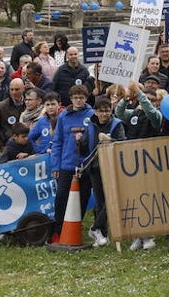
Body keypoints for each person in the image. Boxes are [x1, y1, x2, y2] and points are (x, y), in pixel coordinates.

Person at [50, 85, 95, 244]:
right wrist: (55, 165)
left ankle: (76, 225)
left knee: (82, 197)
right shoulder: (64, 116)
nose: (78, 100)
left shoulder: (91, 115)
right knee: (61, 197)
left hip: (85, 165)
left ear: (86, 98)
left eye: (81, 98)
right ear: (71, 99)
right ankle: (58, 230)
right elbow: (58, 142)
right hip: (66, 165)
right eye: (75, 98)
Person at [86, 97, 126, 248]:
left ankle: (95, 227)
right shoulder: (90, 125)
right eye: (101, 111)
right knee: (100, 202)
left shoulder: (117, 124)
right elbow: (86, 146)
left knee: (111, 200)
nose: (104, 114)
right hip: (95, 168)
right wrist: (79, 140)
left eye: (107, 110)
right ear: (96, 112)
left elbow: (122, 143)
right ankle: (101, 235)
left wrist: (109, 139)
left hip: (112, 167)